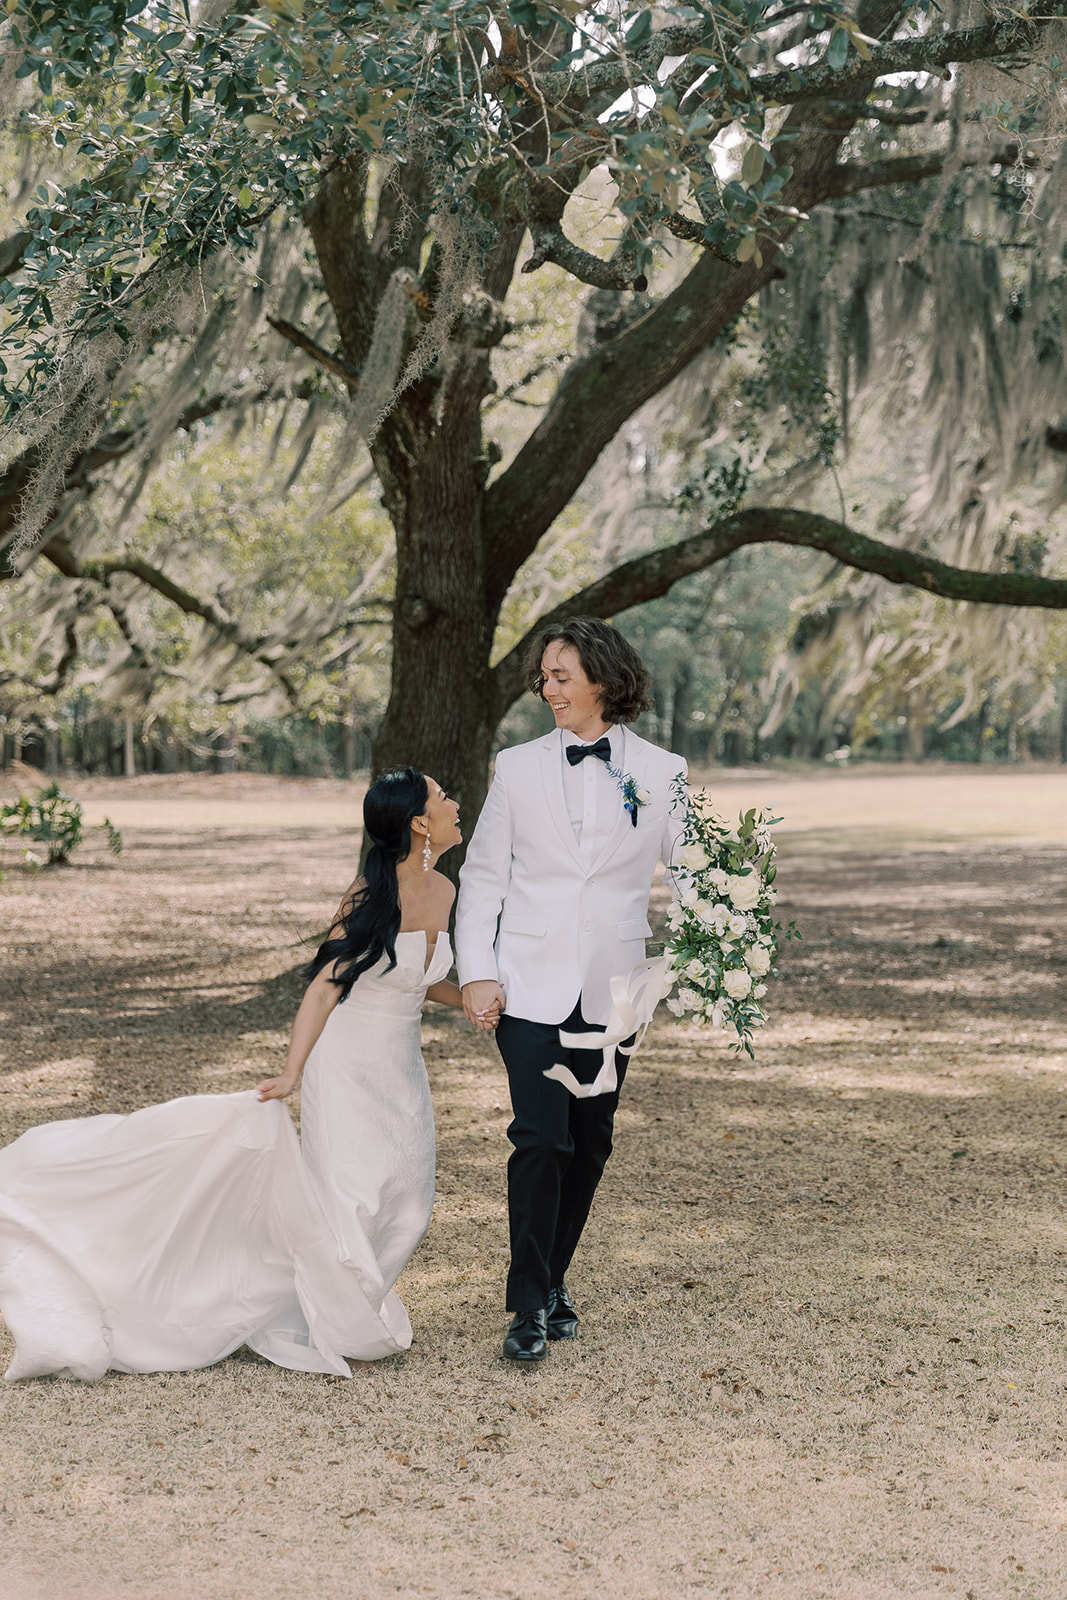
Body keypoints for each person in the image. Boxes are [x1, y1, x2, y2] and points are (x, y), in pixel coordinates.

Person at [0, 768, 492, 1382]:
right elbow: (325, 988)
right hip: (346, 1062)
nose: (455, 802)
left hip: (401, 1064)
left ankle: (350, 1303)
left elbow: (418, 980)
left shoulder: (445, 890)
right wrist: (291, 1073)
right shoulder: (369, 897)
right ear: (420, 823)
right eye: (443, 797)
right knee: (355, 1192)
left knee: (408, 1195)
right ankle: (332, 1316)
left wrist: (470, 999)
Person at [455, 617, 687, 1362]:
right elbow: (484, 874)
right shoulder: (515, 767)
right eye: (543, 678)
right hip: (527, 984)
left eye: (560, 676)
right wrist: (477, 971)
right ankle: (526, 1307)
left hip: (617, 989)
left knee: (589, 1143)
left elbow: (694, 877)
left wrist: (703, 950)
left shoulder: (663, 772)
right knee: (539, 1138)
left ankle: (553, 1280)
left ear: (603, 679)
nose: (547, 689)